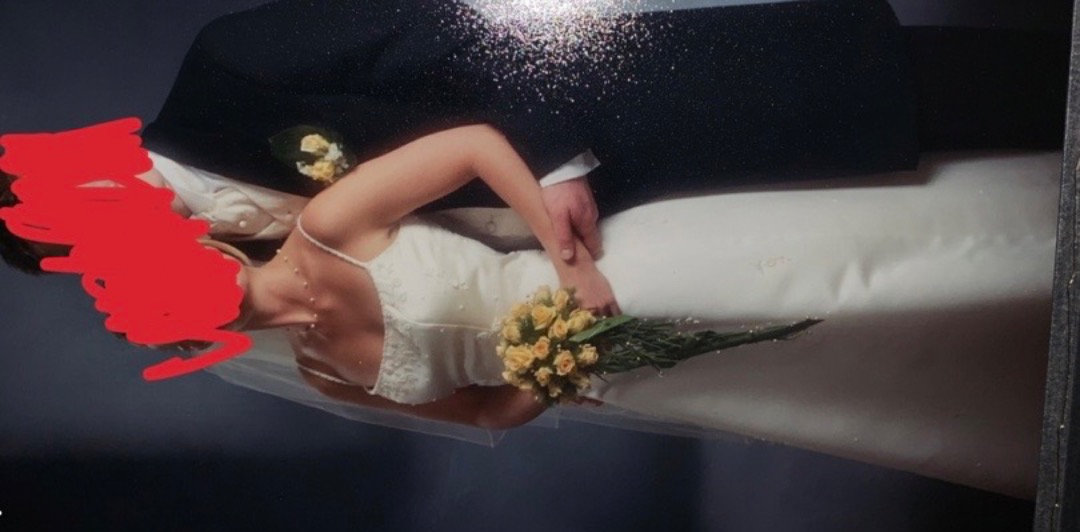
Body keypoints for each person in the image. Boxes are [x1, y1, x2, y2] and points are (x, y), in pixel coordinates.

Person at [139, 0, 925, 262]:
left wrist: (555, 162)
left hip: (610, 116)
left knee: (905, 101)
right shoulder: (217, 259)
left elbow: (445, 29)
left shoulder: (226, 66)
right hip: (616, 254)